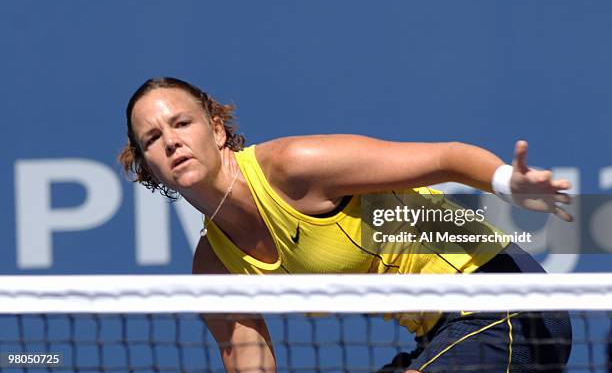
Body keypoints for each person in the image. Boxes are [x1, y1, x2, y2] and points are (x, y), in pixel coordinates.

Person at [119, 77, 573, 373]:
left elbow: (446, 158)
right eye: (154, 138)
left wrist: (507, 184)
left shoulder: (293, 167)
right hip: (440, 335)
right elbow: (247, 360)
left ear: (216, 130)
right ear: (147, 165)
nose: (172, 142)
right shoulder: (214, 266)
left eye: (182, 123)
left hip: (506, 302)